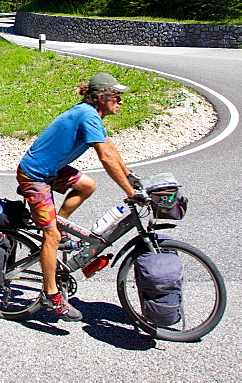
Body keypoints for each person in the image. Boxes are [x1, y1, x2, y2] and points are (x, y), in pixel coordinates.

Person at [16, 72, 145, 321]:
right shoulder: (87, 114)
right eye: (117, 97)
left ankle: (59, 226)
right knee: (50, 234)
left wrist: (130, 177)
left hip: (51, 170)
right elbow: (104, 157)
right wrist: (131, 194)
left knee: (87, 185)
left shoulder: (91, 115)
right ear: (102, 97)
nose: (121, 102)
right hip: (34, 176)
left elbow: (110, 148)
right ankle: (50, 294)